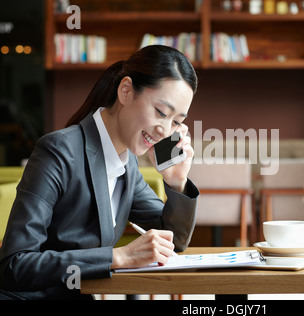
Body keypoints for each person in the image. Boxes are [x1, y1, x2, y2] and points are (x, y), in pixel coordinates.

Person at [0, 45, 199, 300]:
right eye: (161, 112)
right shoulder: (59, 151)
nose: (164, 130)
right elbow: (15, 265)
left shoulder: (127, 165)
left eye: (176, 121)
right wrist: (117, 257)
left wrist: (177, 182)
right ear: (126, 91)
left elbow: (175, 240)